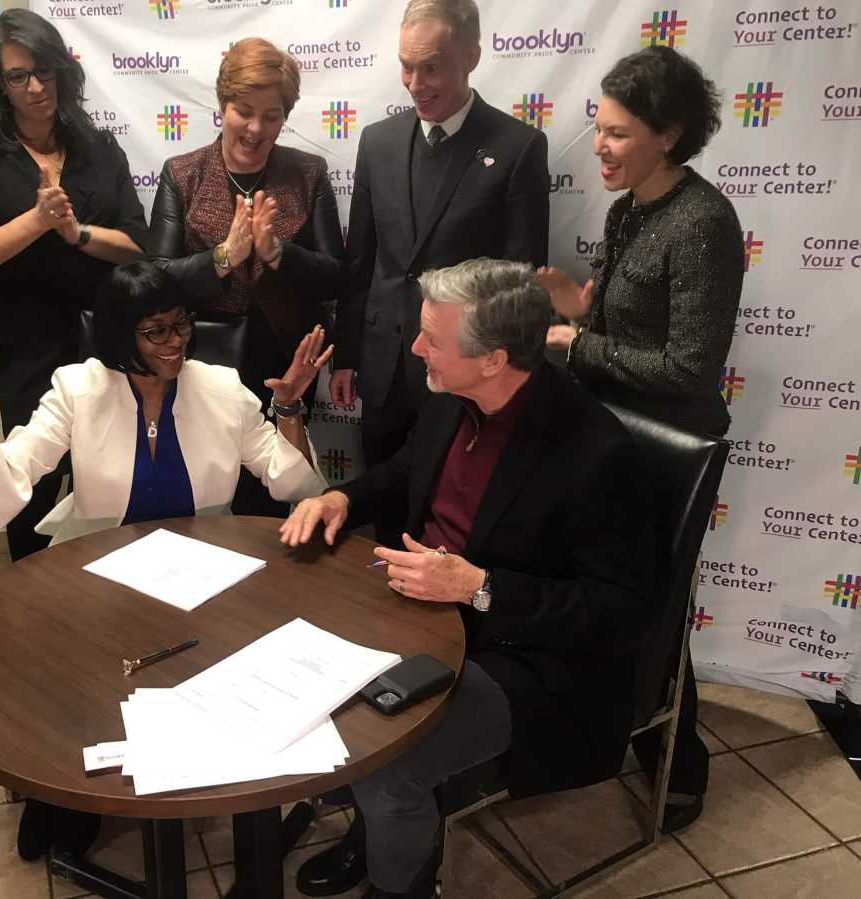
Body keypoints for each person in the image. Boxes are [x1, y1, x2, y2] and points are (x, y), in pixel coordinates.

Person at [0, 262, 329, 865]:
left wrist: (286, 408)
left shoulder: (223, 388)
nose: (175, 341)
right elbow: (7, 479)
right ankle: (66, 792)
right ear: (120, 334)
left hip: (201, 580)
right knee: (74, 685)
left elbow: (293, 484)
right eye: (155, 331)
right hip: (91, 581)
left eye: (181, 324)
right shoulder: (77, 388)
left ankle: (180, 778)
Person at [280, 259, 654, 899]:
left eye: (433, 339)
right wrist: (345, 500)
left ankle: (404, 884)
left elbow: (620, 612)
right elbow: (403, 471)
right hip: (423, 608)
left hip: (521, 655)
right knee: (296, 670)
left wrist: (479, 586)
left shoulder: (595, 454)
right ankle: (375, 836)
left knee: (388, 767)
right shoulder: (453, 398)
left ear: (492, 360)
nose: (416, 347)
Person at [538, 46, 743, 831]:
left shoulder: (704, 222)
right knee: (609, 601)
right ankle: (606, 739)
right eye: (600, 129)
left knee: (654, 616)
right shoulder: (629, 211)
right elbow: (627, 334)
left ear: (671, 134)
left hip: (672, 455)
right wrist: (578, 310)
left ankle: (676, 767)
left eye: (619, 134)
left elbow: (689, 368)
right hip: (616, 440)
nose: (600, 147)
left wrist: (572, 341)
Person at [330, 0, 550, 533]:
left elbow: (520, 284)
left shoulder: (518, 147)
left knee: (452, 521)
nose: (415, 82)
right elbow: (362, 260)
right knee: (381, 510)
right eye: (406, 65)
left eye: (430, 66)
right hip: (382, 370)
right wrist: (347, 356)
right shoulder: (377, 142)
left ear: (471, 56)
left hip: (466, 378)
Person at [0, 9, 147, 563]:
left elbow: (136, 243)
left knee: (109, 479)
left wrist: (75, 231)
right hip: (26, 346)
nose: (35, 87)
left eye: (45, 71)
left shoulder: (98, 146)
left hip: (104, 343)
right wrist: (36, 221)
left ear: (62, 70)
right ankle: (35, 607)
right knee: (30, 491)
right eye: (17, 76)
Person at [148, 37, 344, 516]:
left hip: (288, 364)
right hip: (204, 363)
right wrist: (224, 255)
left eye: (272, 116)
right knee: (210, 493)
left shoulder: (308, 172)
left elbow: (337, 277)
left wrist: (277, 253)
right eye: (244, 110)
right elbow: (155, 278)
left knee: (279, 495)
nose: (256, 129)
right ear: (222, 104)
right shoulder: (183, 173)